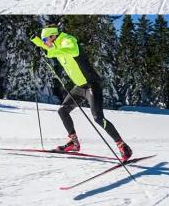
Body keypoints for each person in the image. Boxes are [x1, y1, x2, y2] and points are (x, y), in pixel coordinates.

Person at [31, 26, 133, 161]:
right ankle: (74, 142)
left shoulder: (67, 40)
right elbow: (51, 48)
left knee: (98, 118)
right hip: (79, 87)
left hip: (91, 85)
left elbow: (72, 50)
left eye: (45, 40)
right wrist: (36, 41)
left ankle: (122, 146)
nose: (45, 43)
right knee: (63, 111)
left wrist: (49, 52)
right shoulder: (54, 44)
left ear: (53, 36)